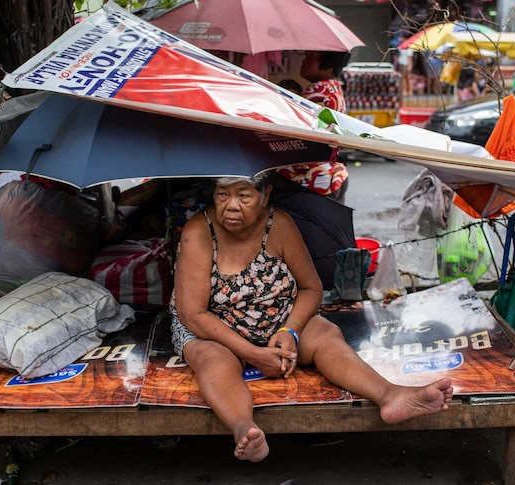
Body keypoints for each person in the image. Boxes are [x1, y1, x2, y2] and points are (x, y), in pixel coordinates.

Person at [170, 174, 454, 462]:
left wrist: (290, 330)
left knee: (325, 334)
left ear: (265, 195)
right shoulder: (199, 230)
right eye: (222, 195)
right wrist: (254, 354)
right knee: (213, 360)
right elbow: (193, 314)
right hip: (212, 326)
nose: (231, 206)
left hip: (275, 318)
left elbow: (311, 287)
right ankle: (244, 427)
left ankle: (390, 395)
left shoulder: (278, 224)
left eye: (243, 196)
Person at [276, 51, 350, 202]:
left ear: (328, 65)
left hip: (313, 177)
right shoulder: (334, 88)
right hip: (331, 173)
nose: (304, 60)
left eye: (311, 57)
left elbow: (297, 129)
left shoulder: (318, 91)